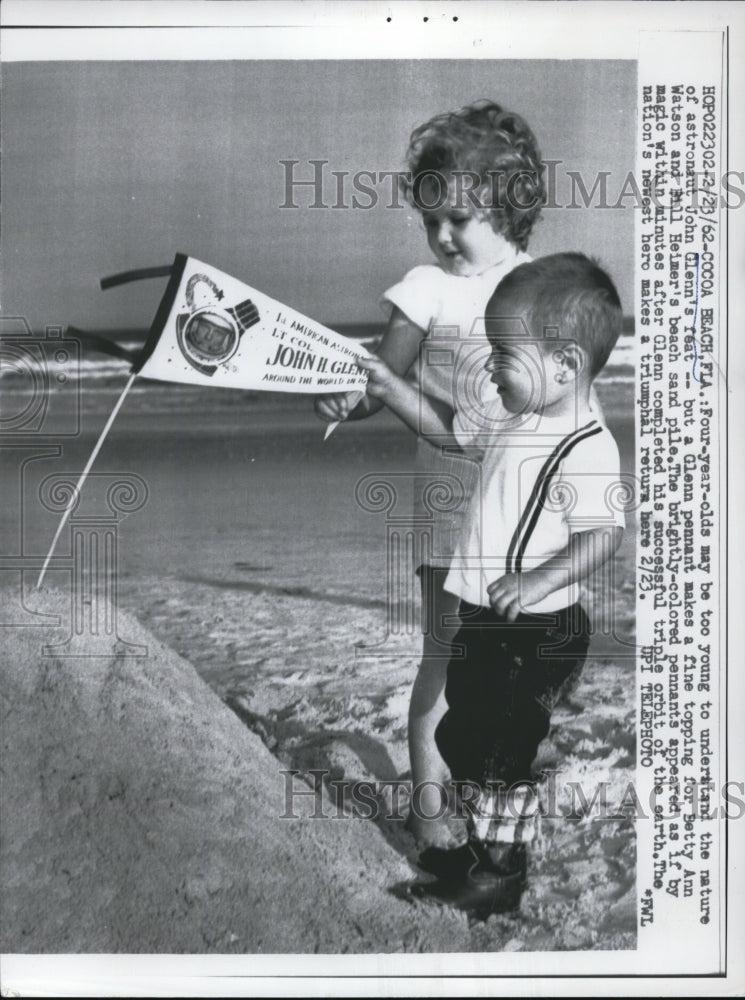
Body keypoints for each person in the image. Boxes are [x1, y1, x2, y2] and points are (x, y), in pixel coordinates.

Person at [357, 253, 626, 917]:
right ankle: (481, 848)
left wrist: (538, 580)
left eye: (505, 352)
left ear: (563, 365)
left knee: (498, 751)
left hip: (535, 628)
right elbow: (450, 432)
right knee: (466, 738)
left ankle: (499, 874)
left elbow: (602, 533)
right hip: (489, 616)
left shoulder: (584, 443)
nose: (490, 364)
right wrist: (391, 390)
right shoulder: (512, 415)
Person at [315, 101, 546, 848]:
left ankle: (491, 798)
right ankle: (428, 810)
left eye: (458, 219)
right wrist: (349, 397)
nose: (442, 236)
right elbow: (381, 379)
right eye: (430, 220)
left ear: (507, 208)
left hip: (523, 514)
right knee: (445, 661)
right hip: (451, 511)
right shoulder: (425, 287)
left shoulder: (541, 287)